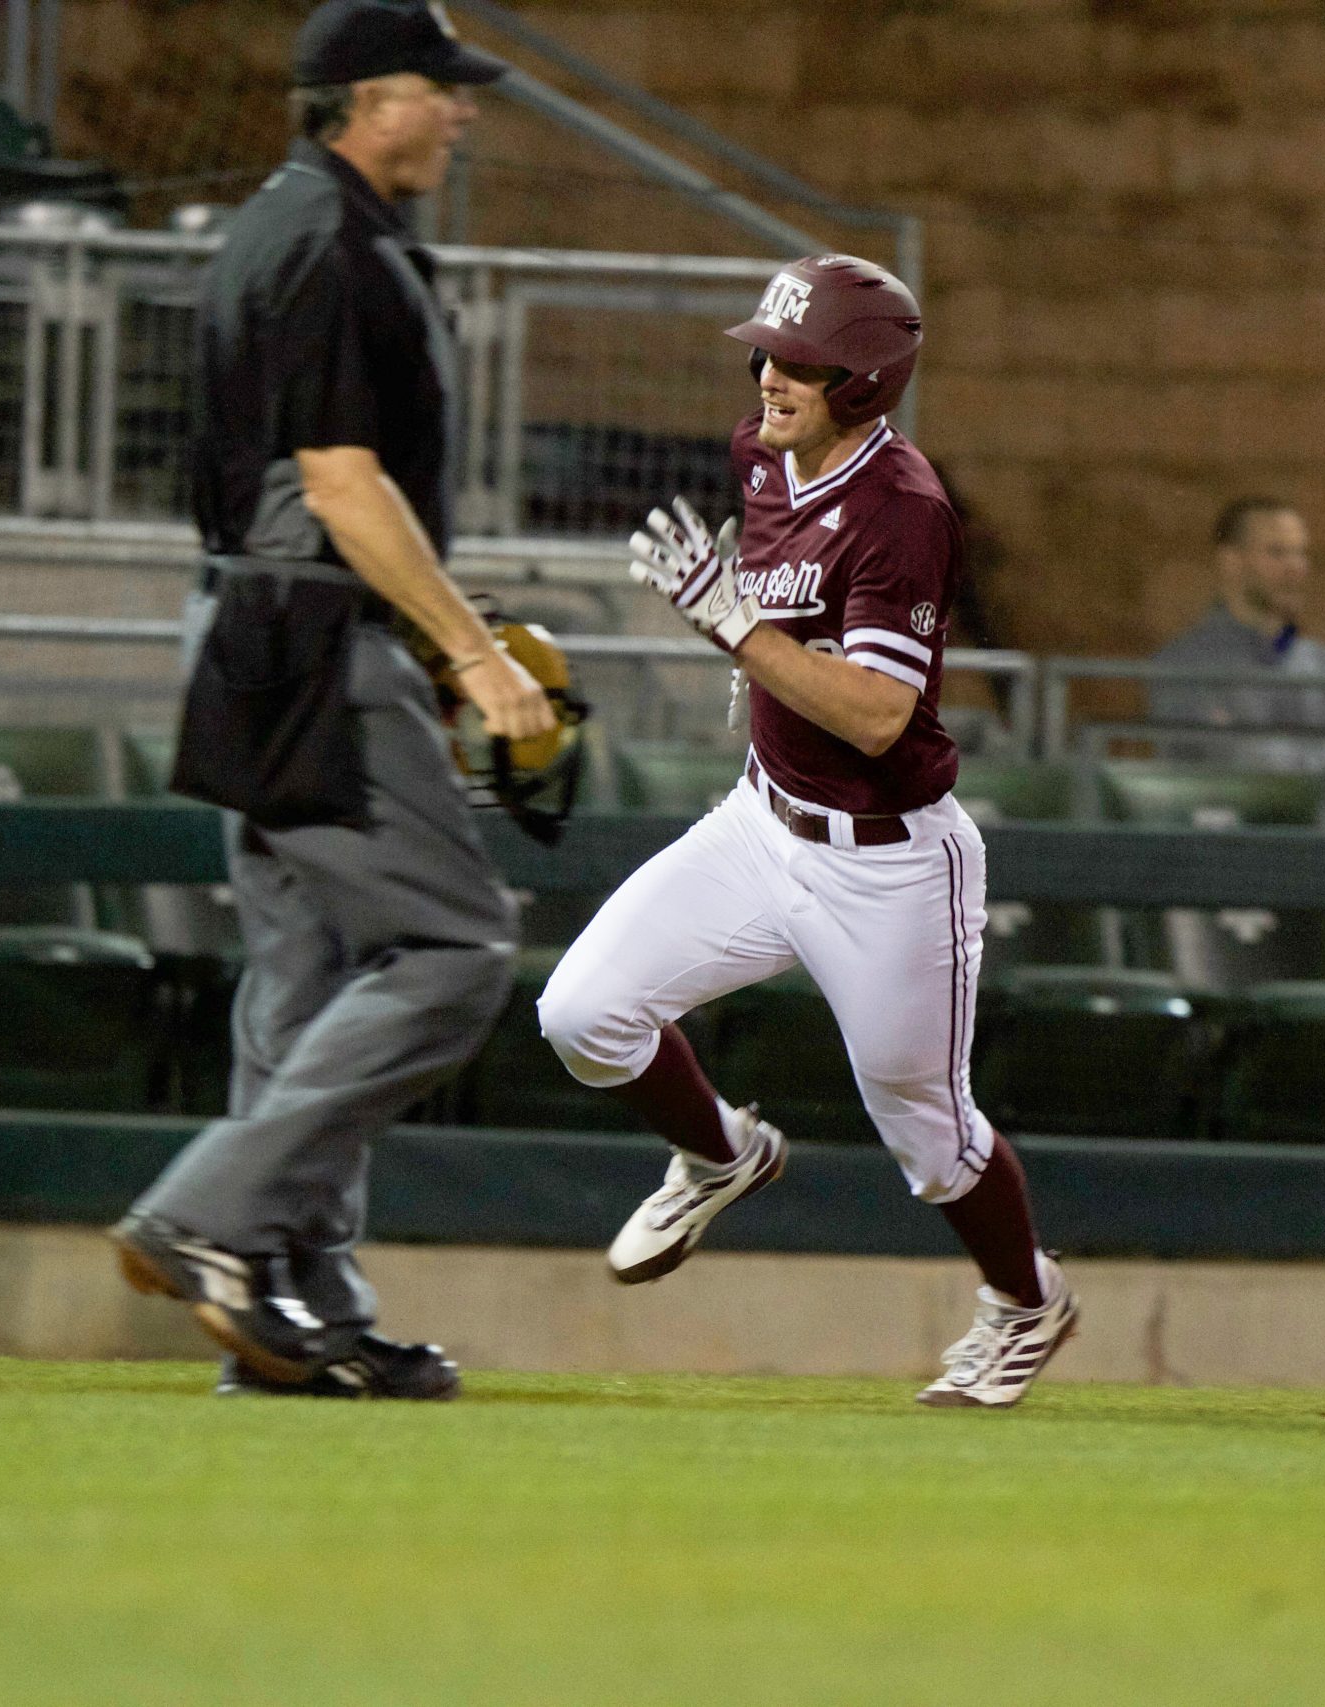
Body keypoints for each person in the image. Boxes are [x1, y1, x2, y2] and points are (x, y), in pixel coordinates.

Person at [108, 0, 556, 1399]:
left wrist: (447, 620)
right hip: (308, 634)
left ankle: (298, 1298)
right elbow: (347, 483)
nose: (465, 111)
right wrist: (468, 656)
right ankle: (208, 1213)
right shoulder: (334, 243)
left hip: (255, 619)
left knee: (304, 976)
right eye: (445, 88)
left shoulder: (282, 220)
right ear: (369, 96)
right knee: (452, 944)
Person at [535, 255, 1078, 1409]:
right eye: (766, 354)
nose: (770, 377)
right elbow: (791, 626)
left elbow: (882, 717)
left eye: (800, 362)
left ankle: (1026, 1303)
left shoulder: (905, 512)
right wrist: (765, 652)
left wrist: (735, 628)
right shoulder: (762, 457)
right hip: (760, 822)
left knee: (926, 1134)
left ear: (865, 384)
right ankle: (723, 1152)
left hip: (887, 860)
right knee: (580, 1013)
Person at [1147, 499, 1325, 828]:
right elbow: (1193, 776)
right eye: (1276, 552)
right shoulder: (1182, 665)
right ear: (1231, 562)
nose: (1295, 567)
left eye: (1300, 553)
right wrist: (1312, 771)